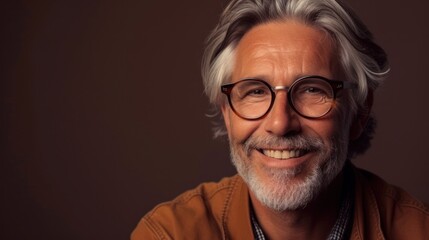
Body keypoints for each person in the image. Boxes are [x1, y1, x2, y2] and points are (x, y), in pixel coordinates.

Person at [131, 0, 429, 239]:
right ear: (226, 112)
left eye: (312, 89)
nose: (280, 123)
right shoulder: (170, 234)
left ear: (359, 113)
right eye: (256, 91)